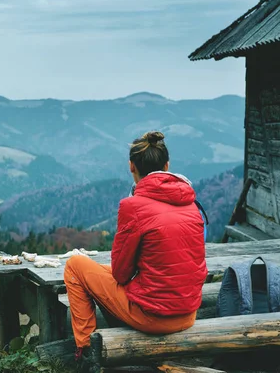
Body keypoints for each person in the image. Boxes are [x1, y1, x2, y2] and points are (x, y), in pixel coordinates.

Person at [64, 131, 207, 365]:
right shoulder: (190, 203)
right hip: (188, 313)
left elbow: (121, 273)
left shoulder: (133, 206)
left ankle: (86, 351)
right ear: (167, 166)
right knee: (100, 271)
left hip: (153, 318)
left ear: (131, 166)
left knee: (75, 266)